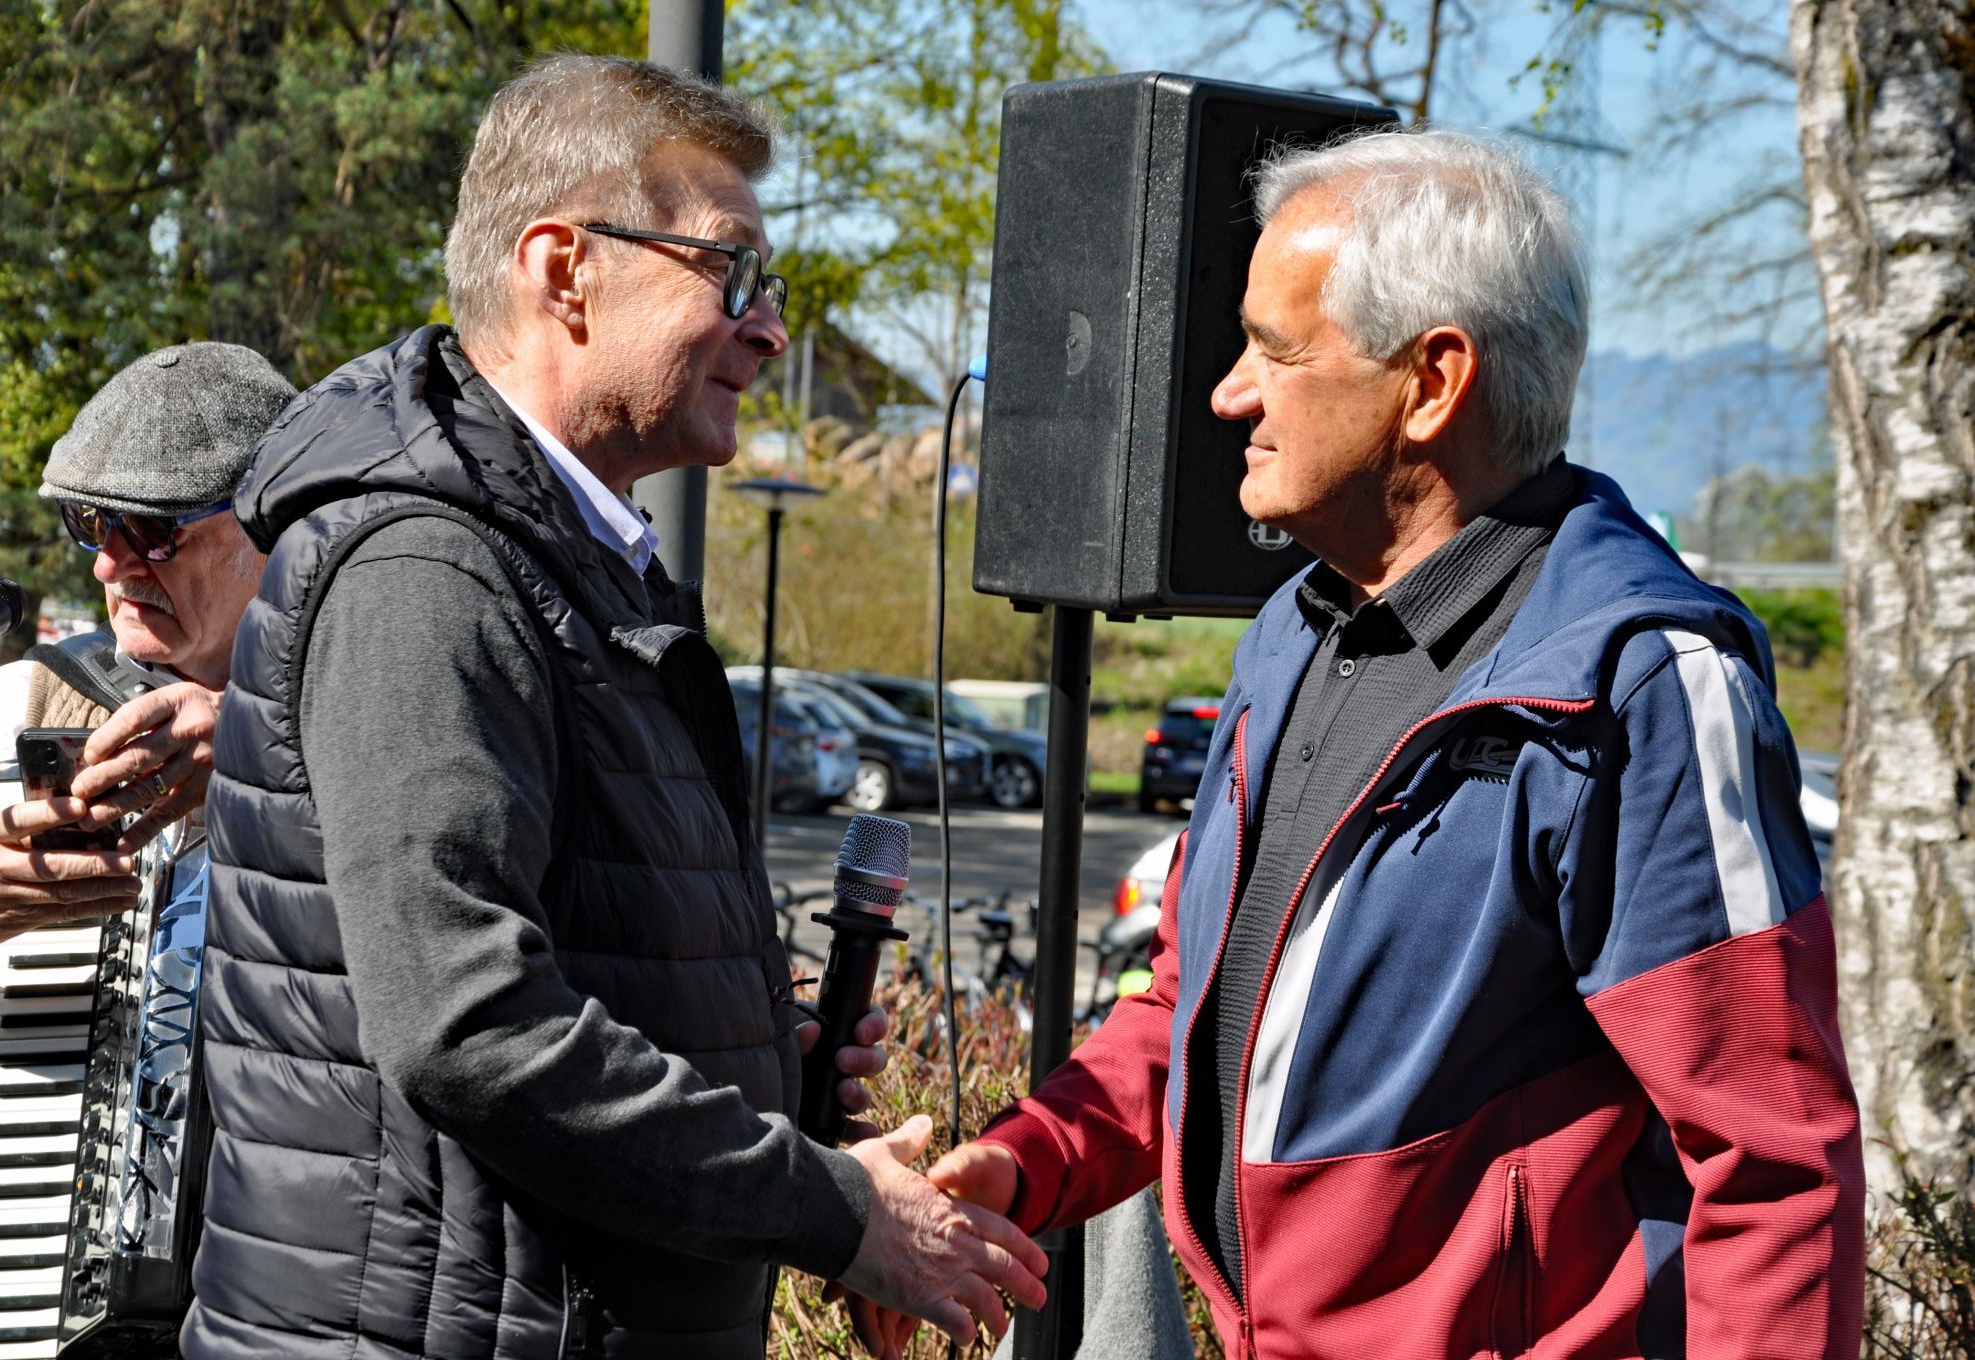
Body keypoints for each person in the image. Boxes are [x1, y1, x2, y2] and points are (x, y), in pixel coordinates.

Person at [859, 128, 1865, 1360]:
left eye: (1274, 349)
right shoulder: (1290, 628)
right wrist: (1027, 1162)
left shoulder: (1636, 682)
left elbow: (1772, 1167)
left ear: (1432, 381)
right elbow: (1188, 1001)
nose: (1229, 391)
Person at [184, 54, 1045, 1360]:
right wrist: (833, 1210)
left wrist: (757, 1048)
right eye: (735, 277)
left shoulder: (570, 561)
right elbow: (468, 1027)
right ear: (565, 269)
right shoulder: (428, 567)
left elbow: (570, 948)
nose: (768, 331)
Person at [0, 342, 294, 1033]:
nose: (107, 567)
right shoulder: (2, 714)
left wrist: (268, 741)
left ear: (272, 528)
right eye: (93, 524)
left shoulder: (370, 700)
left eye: (153, 530)